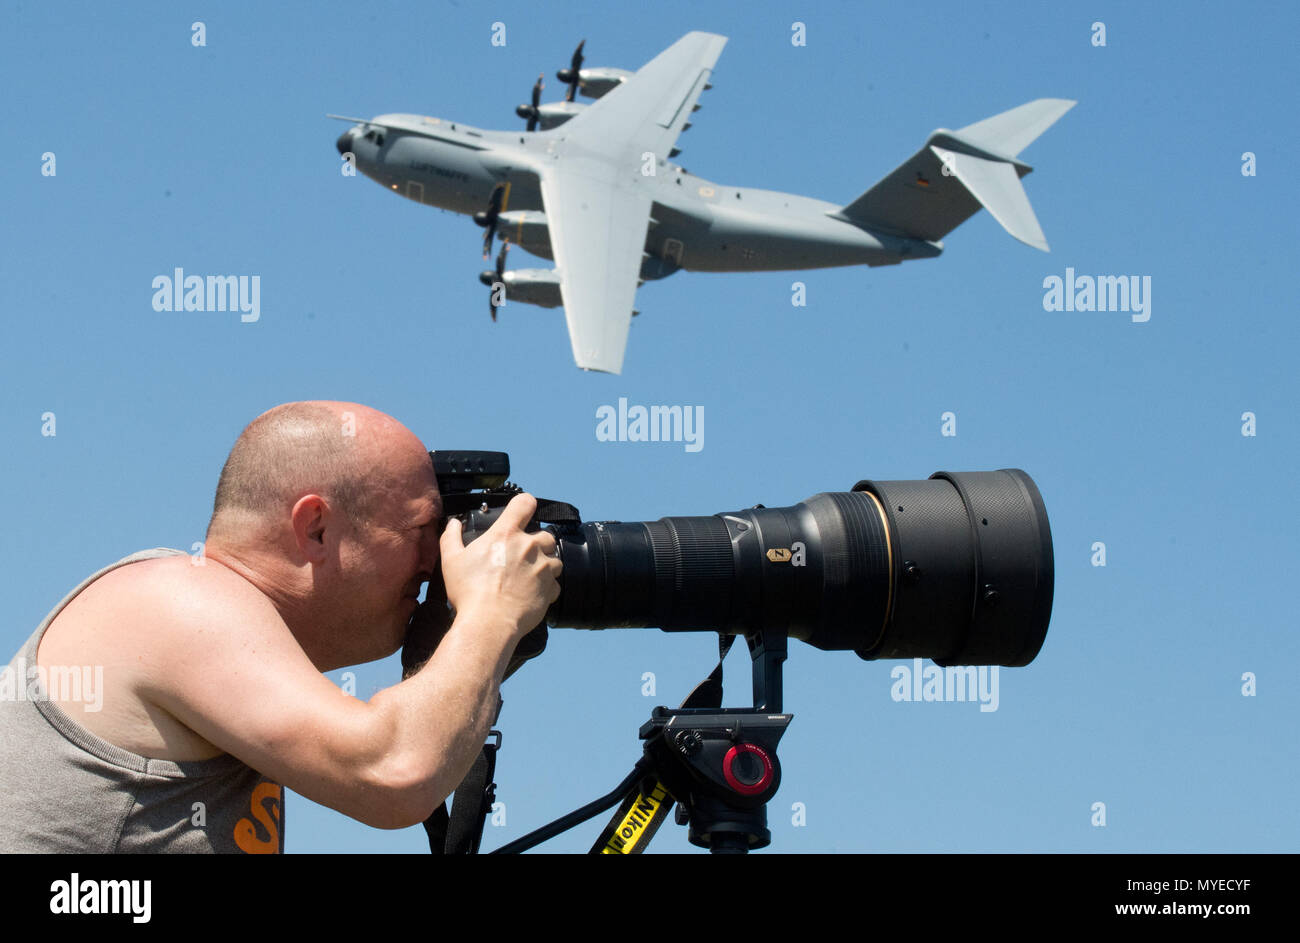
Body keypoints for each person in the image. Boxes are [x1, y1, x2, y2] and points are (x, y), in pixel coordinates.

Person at [0, 401, 561, 852]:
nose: (434, 560)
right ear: (316, 528)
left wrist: (469, 645)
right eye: (423, 529)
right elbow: (394, 771)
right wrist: (491, 612)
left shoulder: (221, 661)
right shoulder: (176, 598)